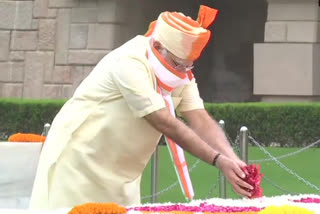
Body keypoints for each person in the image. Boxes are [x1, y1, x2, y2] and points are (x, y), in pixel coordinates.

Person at [29, 5, 253, 210]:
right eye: (178, 64)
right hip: (78, 162)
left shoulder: (181, 73)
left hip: (122, 174)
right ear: (157, 46)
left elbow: (200, 118)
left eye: (189, 66)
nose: (184, 72)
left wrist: (233, 160)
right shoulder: (130, 61)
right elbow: (163, 121)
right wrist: (217, 160)